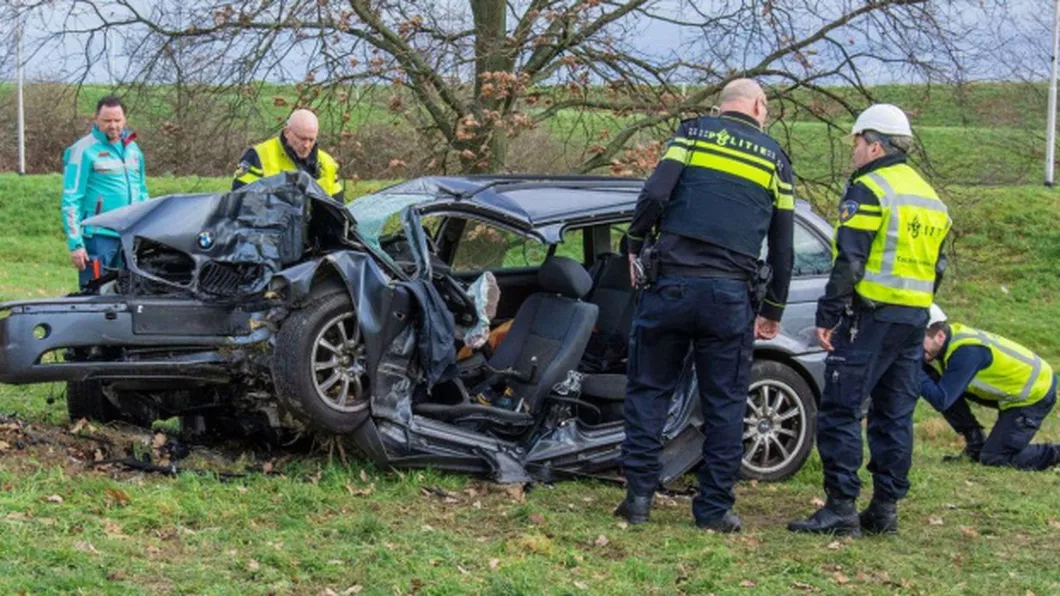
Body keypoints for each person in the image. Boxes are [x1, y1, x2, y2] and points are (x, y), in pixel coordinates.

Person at [614, 79, 795, 533]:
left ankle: (638, 499)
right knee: (725, 404)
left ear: (723, 106)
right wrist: (772, 309)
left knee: (649, 391)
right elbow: (783, 246)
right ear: (757, 106)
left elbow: (655, 195)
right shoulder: (775, 159)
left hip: (671, 286)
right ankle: (713, 510)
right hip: (730, 298)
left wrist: (634, 242)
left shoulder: (691, 136)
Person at [788, 104, 951, 537]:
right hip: (913, 319)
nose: (854, 151)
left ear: (874, 144)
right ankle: (885, 508)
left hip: (870, 317)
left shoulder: (870, 189)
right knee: (894, 414)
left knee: (841, 409)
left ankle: (841, 506)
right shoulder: (929, 196)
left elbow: (849, 260)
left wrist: (829, 314)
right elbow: (938, 268)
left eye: (857, 142)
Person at [920, 304, 1058, 469]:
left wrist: (912, 370)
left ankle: (1056, 453)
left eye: (917, 341)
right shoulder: (952, 340)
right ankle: (975, 442)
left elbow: (941, 400)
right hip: (1014, 392)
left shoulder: (966, 353)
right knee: (942, 386)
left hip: (1035, 395)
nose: (913, 349)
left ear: (940, 336)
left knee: (994, 457)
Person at [61, 96, 149, 288]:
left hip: (130, 236)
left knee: (129, 294)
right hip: (98, 237)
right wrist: (75, 244)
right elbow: (71, 199)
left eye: (117, 120)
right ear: (96, 119)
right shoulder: (82, 150)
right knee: (95, 297)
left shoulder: (133, 149)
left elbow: (142, 192)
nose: (113, 126)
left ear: (125, 119)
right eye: (107, 120)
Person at [232, 109, 343, 200]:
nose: (306, 145)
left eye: (311, 140)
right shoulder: (258, 156)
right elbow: (239, 202)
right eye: (302, 138)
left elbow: (339, 212)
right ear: (287, 132)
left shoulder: (328, 164)